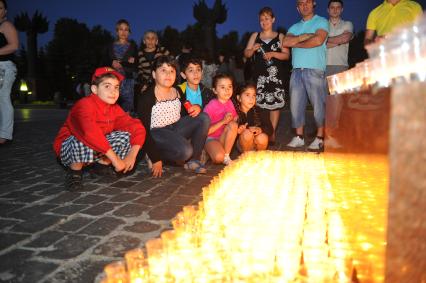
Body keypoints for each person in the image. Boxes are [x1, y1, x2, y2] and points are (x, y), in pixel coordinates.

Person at [53, 67, 146, 191]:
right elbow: (89, 132)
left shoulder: (114, 108)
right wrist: (115, 159)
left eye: (116, 87)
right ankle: (74, 173)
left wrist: (132, 154)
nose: (113, 92)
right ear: (94, 89)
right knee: (81, 138)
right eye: (107, 86)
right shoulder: (84, 105)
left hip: (97, 147)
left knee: (126, 135)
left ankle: (101, 167)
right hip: (68, 149)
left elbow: (136, 126)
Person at [137, 55, 210, 177]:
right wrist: (156, 159)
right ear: (154, 74)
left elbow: (187, 112)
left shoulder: (178, 91)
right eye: (163, 70)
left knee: (203, 118)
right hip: (156, 133)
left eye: (172, 71)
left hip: (175, 128)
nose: (168, 74)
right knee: (185, 151)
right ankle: (153, 154)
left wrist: (197, 107)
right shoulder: (147, 97)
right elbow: (143, 130)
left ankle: (194, 160)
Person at [281, 0, 329, 150]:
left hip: (315, 69)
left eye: (307, 2)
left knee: (318, 106)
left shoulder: (321, 21)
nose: (304, 5)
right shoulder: (294, 27)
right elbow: (286, 42)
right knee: (295, 106)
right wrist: (303, 37)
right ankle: (299, 137)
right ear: (297, 8)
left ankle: (320, 137)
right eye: (301, 3)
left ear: (313, 3)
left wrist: (297, 42)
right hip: (296, 70)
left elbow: (318, 40)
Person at [244, 7, 290, 145]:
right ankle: (265, 131)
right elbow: (246, 54)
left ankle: (272, 133)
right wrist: (252, 49)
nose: (264, 22)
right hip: (260, 77)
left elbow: (286, 55)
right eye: (262, 19)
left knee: (275, 106)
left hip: (276, 77)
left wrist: (273, 54)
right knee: (261, 105)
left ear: (273, 20)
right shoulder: (255, 36)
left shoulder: (280, 36)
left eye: (267, 19)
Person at [203, 74, 238, 165]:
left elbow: (233, 122)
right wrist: (223, 121)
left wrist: (236, 120)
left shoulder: (230, 102)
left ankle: (227, 157)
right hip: (211, 138)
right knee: (218, 158)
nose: (227, 90)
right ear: (215, 90)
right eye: (222, 87)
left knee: (234, 125)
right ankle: (208, 151)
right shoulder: (211, 106)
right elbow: (204, 132)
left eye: (229, 86)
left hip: (223, 138)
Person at [104, 19, 137, 113]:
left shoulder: (133, 47)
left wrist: (135, 60)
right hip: (112, 79)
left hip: (127, 80)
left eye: (126, 29)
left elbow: (137, 63)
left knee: (127, 105)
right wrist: (111, 62)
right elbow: (103, 60)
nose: (123, 32)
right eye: (121, 29)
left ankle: (125, 124)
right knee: (111, 103)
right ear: (116, 31)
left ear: (129, 32)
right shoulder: (110, 46)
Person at [0, 0, 18, 145]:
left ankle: (4, 135)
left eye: (0, 8)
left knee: (2, 97)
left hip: (3, 66)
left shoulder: (5, 25)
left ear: (5, 11)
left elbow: (13, 45)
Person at [235, 83, 273, 152]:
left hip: (256, 143)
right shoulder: (234, 112)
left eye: (254, 95)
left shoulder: (259, 111)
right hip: (243, 143)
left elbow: (270, 129)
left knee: (263, 137)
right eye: (247, 95)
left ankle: (258, 158)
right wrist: (238, 130)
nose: (251, 99)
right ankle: (247, 157)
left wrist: (260, 129)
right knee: (247, 134)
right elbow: (229, 131)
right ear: (239, 98)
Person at [326, 0, 353, 77]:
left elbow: (345, 38)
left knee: (340, 89)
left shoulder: (347, 24)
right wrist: (340, 41)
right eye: (332, 7)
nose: (335, 10)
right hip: (322, 66)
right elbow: (319, 44)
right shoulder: (322, 26)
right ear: (328, 10)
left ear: (342, 10)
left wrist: (325, 40)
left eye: (338, 7)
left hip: (341, 66)